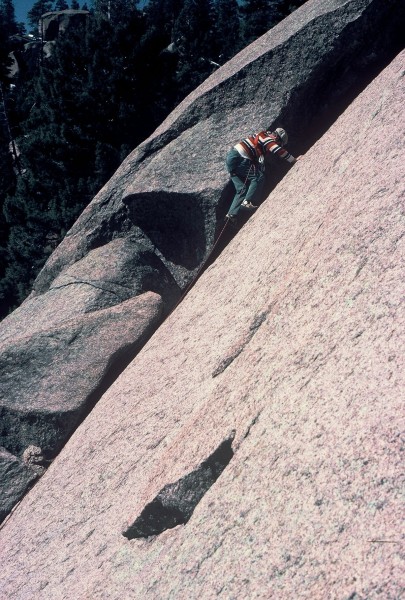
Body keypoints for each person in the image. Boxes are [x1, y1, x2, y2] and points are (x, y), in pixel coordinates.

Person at [225, 127, 300, 222]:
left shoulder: (261, 139)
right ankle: (247, 202)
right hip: (238, 158)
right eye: (279, 143)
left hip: (231, 160)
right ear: (276, 137)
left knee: (241, 189)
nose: (278, 145)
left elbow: (259, 160)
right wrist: (294, 160)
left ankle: (231, 214)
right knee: (257, 177)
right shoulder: (266, 137)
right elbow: (278, 150)